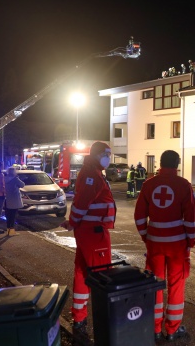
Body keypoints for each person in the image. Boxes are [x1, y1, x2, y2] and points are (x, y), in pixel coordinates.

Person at [134, 150, 195, 342]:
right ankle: (172, 330)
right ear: (177, 164)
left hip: (155, 243)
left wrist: (146, 236)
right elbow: (191, 217)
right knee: (176, 285)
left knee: (155, 285)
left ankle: (154, 329)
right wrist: (190, 241)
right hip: (177, 245)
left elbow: (139, 216)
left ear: (160, 164)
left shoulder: (148, 184)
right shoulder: (183, 185)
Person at [60, 141, 116, 337]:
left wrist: (73, 223)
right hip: (94, 234)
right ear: (96, 155)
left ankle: (79, 318)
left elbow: (80, 204)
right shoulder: (92, 175)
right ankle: (106, 322)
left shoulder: (93, 172)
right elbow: (82, 204)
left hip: (89, 232)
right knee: (102, 276)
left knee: (82, 273)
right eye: (106, 154)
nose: (108, 158)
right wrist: (73, 222)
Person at [4, 166, 25, 236]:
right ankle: (12, 231)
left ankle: (8, 230)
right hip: (15, 199)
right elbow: (22, 185)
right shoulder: (15, 179)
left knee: (8, 215)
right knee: (13, 215)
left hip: (8, 199)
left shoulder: (5, 178)